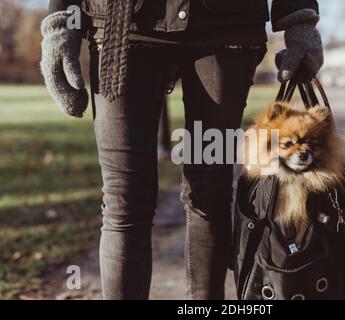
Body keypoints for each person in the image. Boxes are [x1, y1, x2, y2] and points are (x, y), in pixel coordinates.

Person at [40, 0, 324, 299]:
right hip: (123, 27)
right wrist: (63, 20)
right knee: (124, 199)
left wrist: (299, 21)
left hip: (226, 29)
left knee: (211, 190)